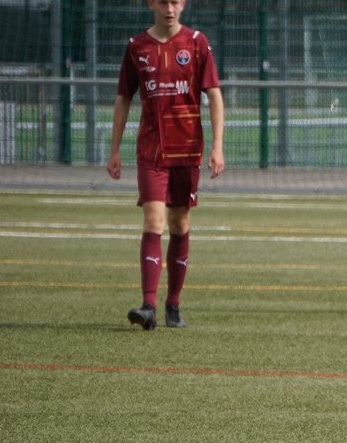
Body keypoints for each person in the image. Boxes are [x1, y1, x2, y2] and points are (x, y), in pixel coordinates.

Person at [107, 0, 225, 330]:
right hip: (151, 151)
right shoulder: (137, 47)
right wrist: (114, 150)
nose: (169, 8)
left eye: (175, 2)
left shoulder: (197, 43)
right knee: (153, 220)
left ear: (183, 4)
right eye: (162, 2)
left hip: (186, 150)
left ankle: (173, 303)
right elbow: (123, 98)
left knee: (179, 223)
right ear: (151, 4)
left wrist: (217, 146)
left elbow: (214, 94)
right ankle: (149, 306)